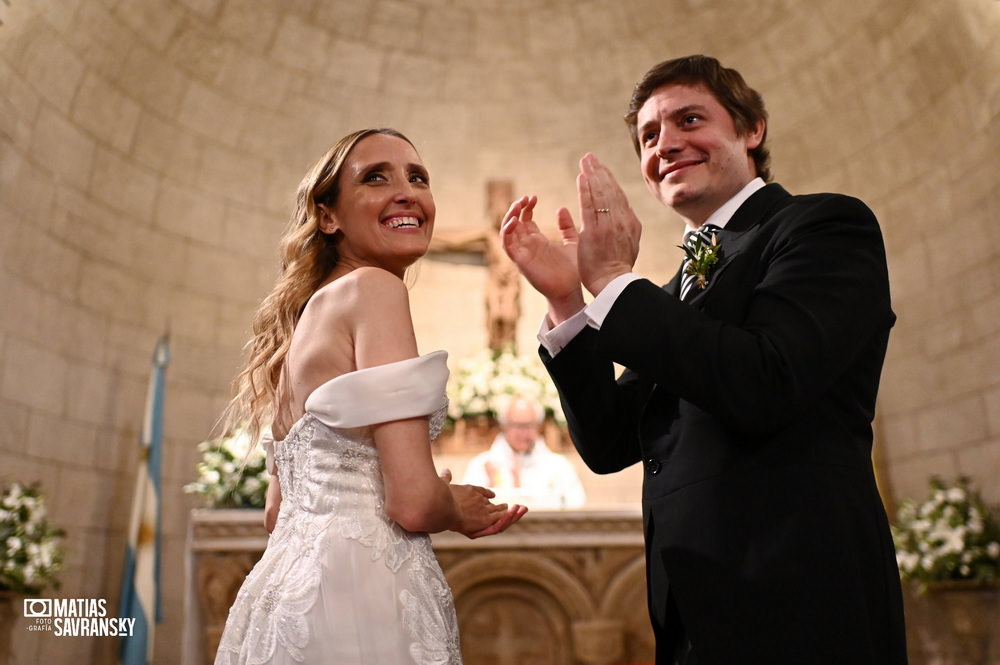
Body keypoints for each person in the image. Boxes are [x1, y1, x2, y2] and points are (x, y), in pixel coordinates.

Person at [500, 55, 906, 664]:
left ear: (752, 130)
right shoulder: (670, 297)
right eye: (648, 135)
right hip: (693, 609)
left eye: (689, 119)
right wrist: (566, 302)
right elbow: (611, 443)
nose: (666, 144)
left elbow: (767, 381)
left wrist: (611, 280)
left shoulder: (823, 226)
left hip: (799, 592)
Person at [213, 128, 527, 665]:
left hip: (290, 595)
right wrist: (456, 505)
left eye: (417, 177)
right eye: (376, 177)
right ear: (328, 216)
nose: (407, 191)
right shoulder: (375, 289)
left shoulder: (302, 328)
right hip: (360, 591)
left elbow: (276, 511)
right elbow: (412, 502)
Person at [461, 395, 586, 509]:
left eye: (529, 425)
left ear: (538, 426)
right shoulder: (481, 465)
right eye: (516, 425)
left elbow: (577, 507)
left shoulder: (559, 466)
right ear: (504, 426)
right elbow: (467, 509)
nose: (523, 432)